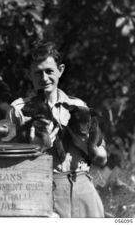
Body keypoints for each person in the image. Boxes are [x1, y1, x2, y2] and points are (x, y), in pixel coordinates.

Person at [7, 41, 107, 217]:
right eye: (38, 73)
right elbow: (3, 163)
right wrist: (34, 149)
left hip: (83, 188)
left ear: (60, 70)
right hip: (43, 191)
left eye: (49, 71)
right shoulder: (19, 110)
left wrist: (86, 145)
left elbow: (102, 159)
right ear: (30, 74)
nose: (44, 78)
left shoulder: (78, 107)